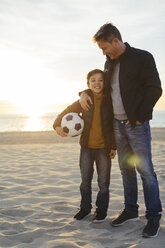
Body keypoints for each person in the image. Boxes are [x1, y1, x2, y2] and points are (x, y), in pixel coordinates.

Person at [79, 23, 162, 237]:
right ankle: (131, 210)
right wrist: (83, 92)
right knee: (126, 169)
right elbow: (102, 89)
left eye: (104, 47)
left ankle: (153, 216)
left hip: (136, 125)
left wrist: (139, 117)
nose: (103, 52)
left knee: (146, 172)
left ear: (115, 41)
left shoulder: (143, 57)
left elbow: (155, 88)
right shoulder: (108, 63)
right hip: (116, 125)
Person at [53, 69, 116, 223]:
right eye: (93, 80)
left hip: (104, 149)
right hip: (86, 148)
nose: (97, 83)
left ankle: (101, 211)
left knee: (104, 183)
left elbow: (112, 126)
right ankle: (85, 209)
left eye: (100, 80)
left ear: (104, 82)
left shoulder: (110, 100)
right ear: (88, 84)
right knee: (85, 181)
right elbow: (65, 112)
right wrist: (56, 126)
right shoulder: (85, 100)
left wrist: (113, 146)